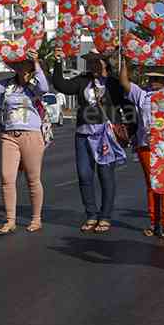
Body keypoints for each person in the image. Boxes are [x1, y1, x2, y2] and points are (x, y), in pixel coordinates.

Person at [51, 51, 128, 233]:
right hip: (83, 134)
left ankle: (105, 216)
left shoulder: (113, 83)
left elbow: (126, 100)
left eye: (96, 62)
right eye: (90, 62)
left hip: (105, 135)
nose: (92, 65)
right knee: (85, 175)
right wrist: (58, 61)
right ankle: (91, 215)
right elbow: (61, 85)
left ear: (104, 63)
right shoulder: (83, 80)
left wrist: (128, 128)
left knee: (105, 175)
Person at [0, 50, 49, 234]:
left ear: (30, 66)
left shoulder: (35, 84)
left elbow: (44, 88)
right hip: (9, 135)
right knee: (6, 178)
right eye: (17, 65)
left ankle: (36, 219)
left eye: (24, 64)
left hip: (31, 135)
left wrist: (36, 63)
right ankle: (10, 221)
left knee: (33, 179)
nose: (20, 68)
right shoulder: (7, 84)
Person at [119, 54, 164, 242]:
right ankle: (154, 223)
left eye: (156, 78)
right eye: (151, 78)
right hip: (146, 145)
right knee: (152, 185)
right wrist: (125, 62)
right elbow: (124, 82)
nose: (152, 81)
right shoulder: (142, 95)